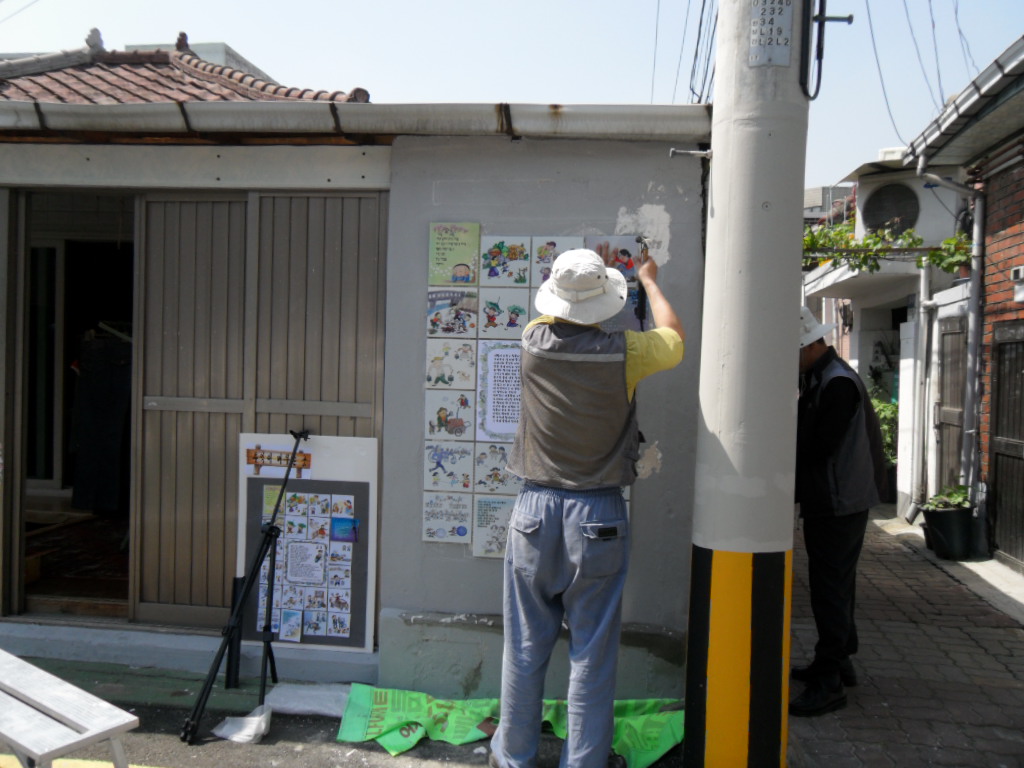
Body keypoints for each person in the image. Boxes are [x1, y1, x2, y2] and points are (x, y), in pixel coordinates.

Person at [489, 248, 684, 768]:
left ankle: (514, 759)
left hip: (533, 512)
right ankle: (585, 762)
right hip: (598, 515)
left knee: (525, 649)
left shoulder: (532, 341)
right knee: (591, 655)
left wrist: (573, 290)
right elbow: (674, 340)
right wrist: (649, 281)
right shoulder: (630, 353)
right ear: (606, 301)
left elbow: (561, 317)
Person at [791, 306, 887, 717]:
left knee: (829, 587)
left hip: (838, 501)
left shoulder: (836, 384)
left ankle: (829, 681)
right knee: (835, 583)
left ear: (811, 345)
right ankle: (839, 658)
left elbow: (817, 447)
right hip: (837, 498)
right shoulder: (825, 376)